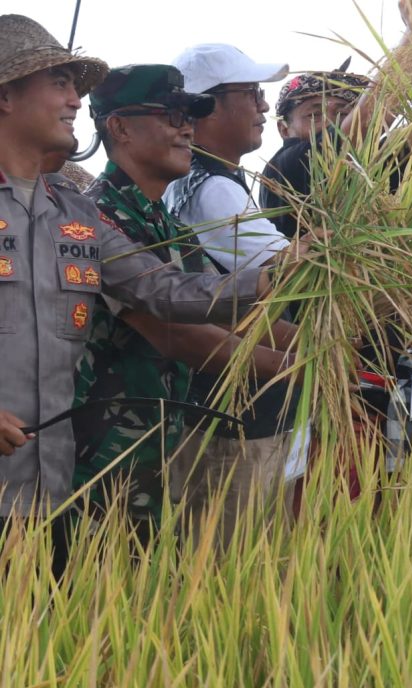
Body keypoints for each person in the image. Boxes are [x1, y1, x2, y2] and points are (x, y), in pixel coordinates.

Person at [0, 15, 282, 575]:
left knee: (52, 649)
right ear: (6, 95)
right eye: (59, 82)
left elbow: (161, 289)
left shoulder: (75, 211)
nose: (75, 100)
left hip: (50, 494)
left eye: (75, 86)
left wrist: (269, 280)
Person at [75, 64, 299, 541]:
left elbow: (228, 312)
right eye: (170, 114)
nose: (186, 127)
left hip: (163, 439)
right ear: (119, 127)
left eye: (190, 114)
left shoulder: (165, 223)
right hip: (106, 453)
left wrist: (320, 344)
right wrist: (300, 364)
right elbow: (177, 328)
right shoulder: (100, 217)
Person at [163, 43, 302, 547]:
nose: (263, 106)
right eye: (252, 93)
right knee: (234, 555)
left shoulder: (194, 180)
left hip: (225, 400)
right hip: (237, 413)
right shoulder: (214, 189)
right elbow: (290, 277)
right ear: (207, 106)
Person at [260, 67, 370, 238]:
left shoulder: (370, 164)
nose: (330, 123)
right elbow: (365, 119)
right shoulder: (284, 165)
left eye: (343, 114)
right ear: (284, 130)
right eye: (313, 115)